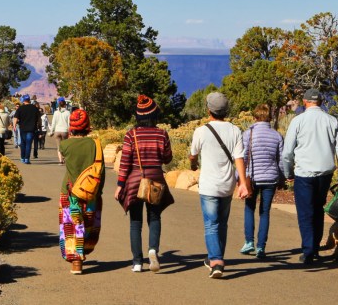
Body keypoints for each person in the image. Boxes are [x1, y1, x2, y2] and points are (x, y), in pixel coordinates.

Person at [282, 88, 338, 265]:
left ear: (305, 102)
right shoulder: (332, 120)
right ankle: (315, 248)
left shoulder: (298, 121)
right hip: (325, 173)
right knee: (318, 209)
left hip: (304, 173)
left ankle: (309, 251)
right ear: (320, 102)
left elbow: (287, 152)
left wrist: (288, 173)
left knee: (305, 212)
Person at [189, 92, 250, 279]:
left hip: (208, 184)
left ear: (208, 110)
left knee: (211, 224)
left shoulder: (201, 131)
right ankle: (216, 258)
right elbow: (239, 158)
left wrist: (193, 163)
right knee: (222, 223)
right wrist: (243, 182)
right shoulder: (235, 130)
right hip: (227, 184)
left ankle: (216, 261)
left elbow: (193, 154)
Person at [116, 95, 174, 272]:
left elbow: (125, 162)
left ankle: (137, 262)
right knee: (154, 217)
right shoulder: (162, 134)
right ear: (154, 114)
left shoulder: (131, 135)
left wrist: (120, 185)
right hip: (156, 178)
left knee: (135, 221)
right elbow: (167, 158)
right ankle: (152, 250)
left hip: (135, 181)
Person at [59, 109, 105, 275]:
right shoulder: (95, 145)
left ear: (72, 127)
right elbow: (101, 171)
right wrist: (98, 192)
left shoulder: (64, 145)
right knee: (87, 224)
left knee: (71, 226)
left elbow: (64, 153)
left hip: (70, 191)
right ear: (88, 127)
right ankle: (82, 253)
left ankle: (76, 261)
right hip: (91, 192)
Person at [240, 103, 285, 259]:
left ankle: (249, 242)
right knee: (265, 212)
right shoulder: (277, 135)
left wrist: (240, 178)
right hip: (270, 178)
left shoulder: (247, 134)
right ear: (269, 118)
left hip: (251, 178)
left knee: (249, 208)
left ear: (255, 117)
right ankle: (261, 247)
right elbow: (281, 160)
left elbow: (243, 157)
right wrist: (282, 177)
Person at [13, 95, 40, 164]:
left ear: (23, 100)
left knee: (23, 143)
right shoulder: (35, 108)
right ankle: (27, 159)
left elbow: (15, 118)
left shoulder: (20, 108)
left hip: (23, 128)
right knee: (29, 144)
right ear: (29, 100)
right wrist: (39, 126)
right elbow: (39, 119)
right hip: (31, 129)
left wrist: (14, 125)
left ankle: (22, 157)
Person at [49, 98, 71, 164]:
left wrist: (51, 131)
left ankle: (60, 161)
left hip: (57, 131)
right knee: (65, 146)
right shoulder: (68, 113)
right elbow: (69, 123)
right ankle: (64, 158)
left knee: (59, 147)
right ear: (65, 105)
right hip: (65, 131)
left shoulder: (56, 112)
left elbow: (53, 123)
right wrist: (70, 131)